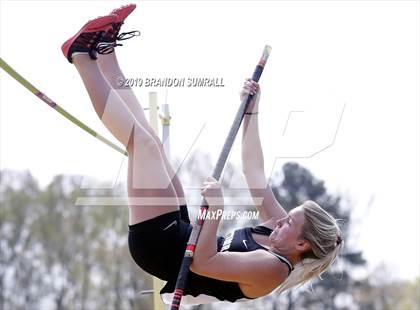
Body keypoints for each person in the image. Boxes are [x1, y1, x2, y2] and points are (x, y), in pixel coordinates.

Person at [61, 4, 343, 305]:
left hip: (160, 249)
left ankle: (80, 56)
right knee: (152, 144)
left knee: (140, 145)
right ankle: (104, 51)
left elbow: (203, 263)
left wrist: (217, 210)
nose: (282, 219)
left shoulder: (272, 269)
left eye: (290, 223)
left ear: (301, 243)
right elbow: (254, 171)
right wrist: (251, 112)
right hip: (181, 232)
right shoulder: (278, 228)